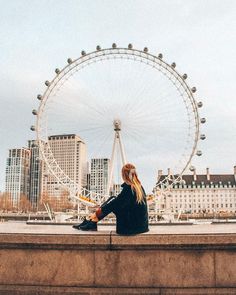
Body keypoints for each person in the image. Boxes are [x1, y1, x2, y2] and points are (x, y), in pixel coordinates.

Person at [73, 163, 149, 235]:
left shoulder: (129, 189)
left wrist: (96, 213)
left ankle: (92, 220)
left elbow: (114, 204)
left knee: (112, 202)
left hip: (130, 228)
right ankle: (92, 221)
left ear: (124, 175)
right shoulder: (139, 187)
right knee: (113, 200)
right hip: (142, 226)